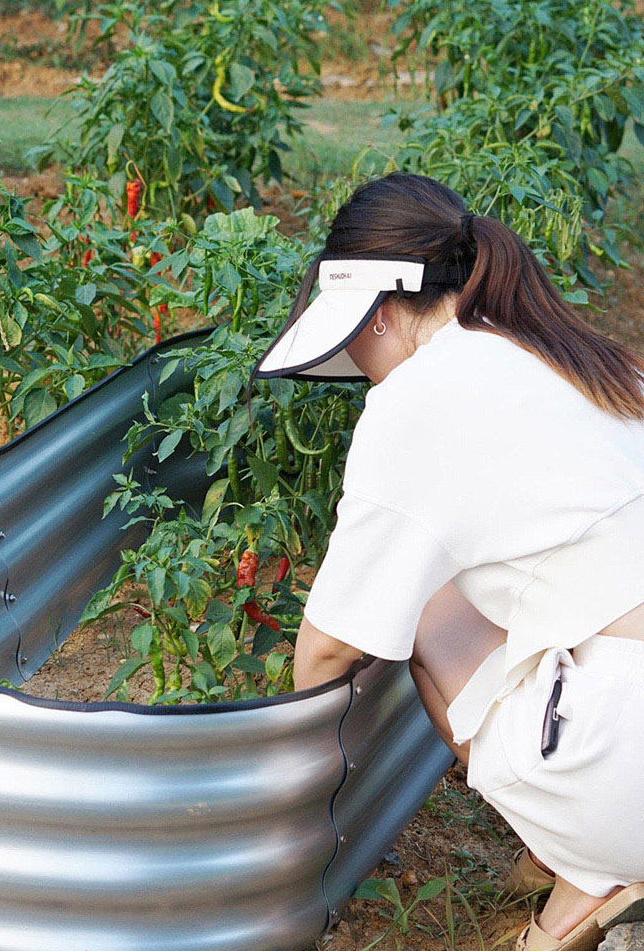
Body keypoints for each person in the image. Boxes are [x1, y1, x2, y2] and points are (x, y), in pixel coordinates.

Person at [251, 173, 644, 951]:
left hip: (632, 763)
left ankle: (586, 870)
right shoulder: (574, 352)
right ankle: (575, 843)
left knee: (425, 603)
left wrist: (292, 785)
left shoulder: (416, 402)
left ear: (383, 312)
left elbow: (331, 643)